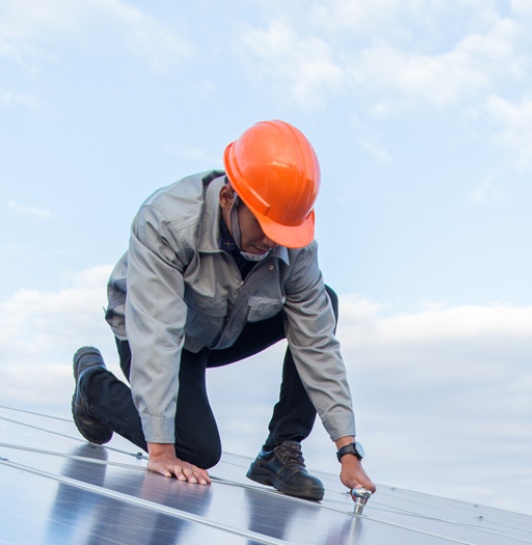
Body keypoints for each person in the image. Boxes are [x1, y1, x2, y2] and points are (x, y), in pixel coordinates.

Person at [71, 120, 375, 501]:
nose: (271, 243)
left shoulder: (295, 248)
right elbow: (157, 331)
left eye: (282, 232)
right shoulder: (168, 221)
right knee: (196, 452)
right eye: (264, 227)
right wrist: (162, 450)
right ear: (230, 197)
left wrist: (347, 449)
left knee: (323, 301)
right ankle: (93, 387)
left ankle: (278, 451)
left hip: (219, 330)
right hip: (152, 331)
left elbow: (317, 344)